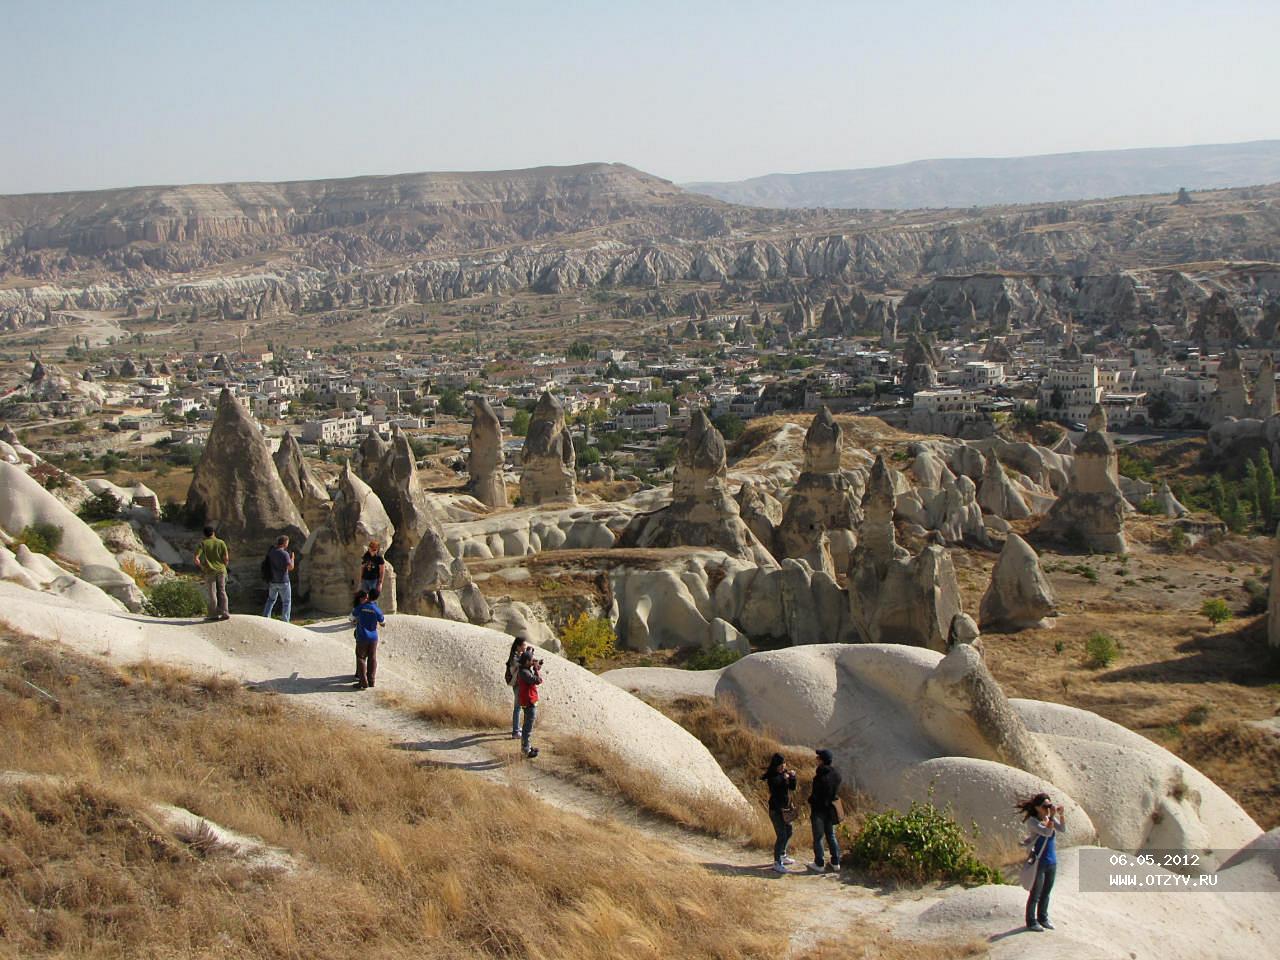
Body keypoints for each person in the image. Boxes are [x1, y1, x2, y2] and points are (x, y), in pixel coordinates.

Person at [1017, 792, 1065, 932]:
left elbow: (1062, 829)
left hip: (1051, 861)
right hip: (1039, 861)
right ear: (1037, 807)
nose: (1047, 808)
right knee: (1036, 893)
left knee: (1046, 892)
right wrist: (1051, 817)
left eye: (1049, 805)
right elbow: (1047, 833)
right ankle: (1031, 921)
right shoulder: (1033, 821)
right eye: (1045, 806)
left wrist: (1061, 815)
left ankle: (1043, 918)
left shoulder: (1047, 817)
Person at [761, 753, 798, 873]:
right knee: (781, 835)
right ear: (775, 766)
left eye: (783, 764)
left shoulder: (783, 774)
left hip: (786, 809)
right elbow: (775, 785)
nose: (783, 767)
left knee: (789, 831)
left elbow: (792, 788)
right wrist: (785, 778)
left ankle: (782, 854)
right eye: (780, 765)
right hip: (776, 810)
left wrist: (792, 778)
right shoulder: (773, 776)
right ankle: (777, 862)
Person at [807, 748, 843, 872]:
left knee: (818, 837)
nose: (816, 759)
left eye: (818, 757)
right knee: (831, 836)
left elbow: (816, 795)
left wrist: (810, 800)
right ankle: (835, 862)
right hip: (831, 810)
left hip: (819, 811)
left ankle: (819, 863)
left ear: (822, 761)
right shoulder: (837, 775)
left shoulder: (820, 777)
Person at [350, 589, 385, 690]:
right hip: (373, 637)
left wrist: (356, 620)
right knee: (372, 657)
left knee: (361, 657)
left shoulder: (361, 607)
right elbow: (383, 622)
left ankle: (362, 681)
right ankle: (371, 680)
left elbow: (351, 618)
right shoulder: (377, 609)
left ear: (368, 595)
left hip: (362, 636)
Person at [194, 524, 230, 620]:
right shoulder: (221, 542)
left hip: (209, 571)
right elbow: (226, 558)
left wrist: (200, 564)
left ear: (204, 534)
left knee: (212, 592)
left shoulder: (203, 543)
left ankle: (213, 614)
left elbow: (197, 557)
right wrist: (224, 567)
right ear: (213, 533)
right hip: (221, 570)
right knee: (222, 591)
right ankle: (225, 612)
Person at [515, 648, 543, 758]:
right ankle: (526, 750)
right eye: (531, 660)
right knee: (527, 727)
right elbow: (538, 680)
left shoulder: (524, 670)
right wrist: (536, 669)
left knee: (528, 726)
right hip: (529, 701)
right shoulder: (524, 672)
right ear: (527, 661)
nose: (533, 662)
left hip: (528, 700)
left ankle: (528, 747)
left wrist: (535, 667)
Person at [262, 535, 295, 623]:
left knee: (271, 599)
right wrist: (292, 559)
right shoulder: (285, 554)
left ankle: (266, 616)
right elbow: (290, 567)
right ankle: (285, 620)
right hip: (283, 581)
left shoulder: (271, 552)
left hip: (273, 581)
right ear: (284, 543)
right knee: (286, 602)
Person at [504, 636, 530, 739]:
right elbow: (520, 666)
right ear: (518, 646)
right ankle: (515, 732)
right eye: (523, 645)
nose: (525, 647)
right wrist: (527, 659)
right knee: (517, 708)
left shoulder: (518, 655)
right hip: (517, 685)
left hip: (520, 684)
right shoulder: (514, 657)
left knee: (519, 707)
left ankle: (517, 728)